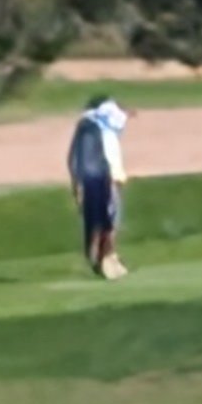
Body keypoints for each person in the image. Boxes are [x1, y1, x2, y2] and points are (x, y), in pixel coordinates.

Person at [67, 95, 127, 276]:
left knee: (110, 219)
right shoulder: (91, 127)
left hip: (108, 177)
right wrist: (79, 183)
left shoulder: (98, 127)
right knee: (105, 219)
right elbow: (81, 159)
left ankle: (107, 256)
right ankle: (102, 258)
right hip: (100, 178)